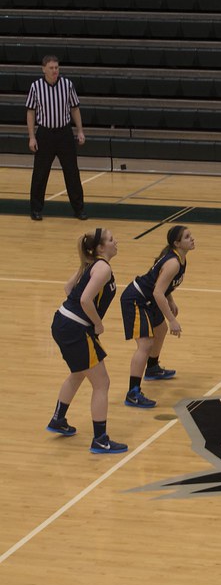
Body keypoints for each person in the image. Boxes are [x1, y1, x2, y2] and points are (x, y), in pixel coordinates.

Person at [48, 228, 128, 454]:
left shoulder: (90, 263)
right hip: (75, 328)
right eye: (112, 240)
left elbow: (68, 288)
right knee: (102, 383)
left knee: (78, 372)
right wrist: (97, 323)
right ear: (101, 248)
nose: (116, 242)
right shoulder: (101, 267)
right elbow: (84, 299)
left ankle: (58, 419)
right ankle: (100, 440)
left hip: (63, 321)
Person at [119, 225, 196, 408]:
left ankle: (152, 368)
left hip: (149, 298)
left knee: (159, 329)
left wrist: (171, 300)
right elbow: (157, 292)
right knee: (145, 344)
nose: (192, 238)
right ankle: (133, 393)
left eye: (190, 235)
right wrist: (172, 320)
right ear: (177, 243)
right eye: (187, 237)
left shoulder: (180, 259)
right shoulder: (173, 263)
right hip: (136, 299)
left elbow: (162, 285)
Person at [26, 55, 87, 222]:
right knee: (40, 173)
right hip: (45, 134)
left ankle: (79, 209)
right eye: (51, 68)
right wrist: (32, 137)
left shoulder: (67, 85)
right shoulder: (36, 87)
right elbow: (30, 112)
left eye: (57, 68)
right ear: (44, 69)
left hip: (64, 134)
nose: (55, 71)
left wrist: (80, 131)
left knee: (72, 173)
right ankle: (36, 210)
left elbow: (75, 109)